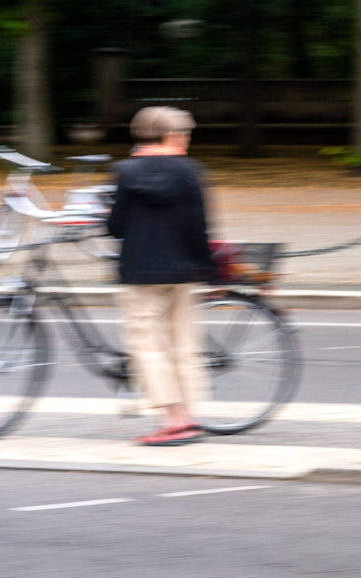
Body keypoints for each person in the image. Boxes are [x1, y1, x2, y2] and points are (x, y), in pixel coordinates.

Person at [107, 106, 214, 446]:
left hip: (140, 272)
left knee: (149, 347)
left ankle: (174, 422)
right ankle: (191, 418)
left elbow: (115, 227)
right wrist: (208, 269)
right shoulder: (190, 171)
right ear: (171, 136)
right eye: (185, 136)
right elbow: (199, 225)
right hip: (182, 272)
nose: (187, 142)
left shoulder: (125, 171)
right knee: (184, 345)